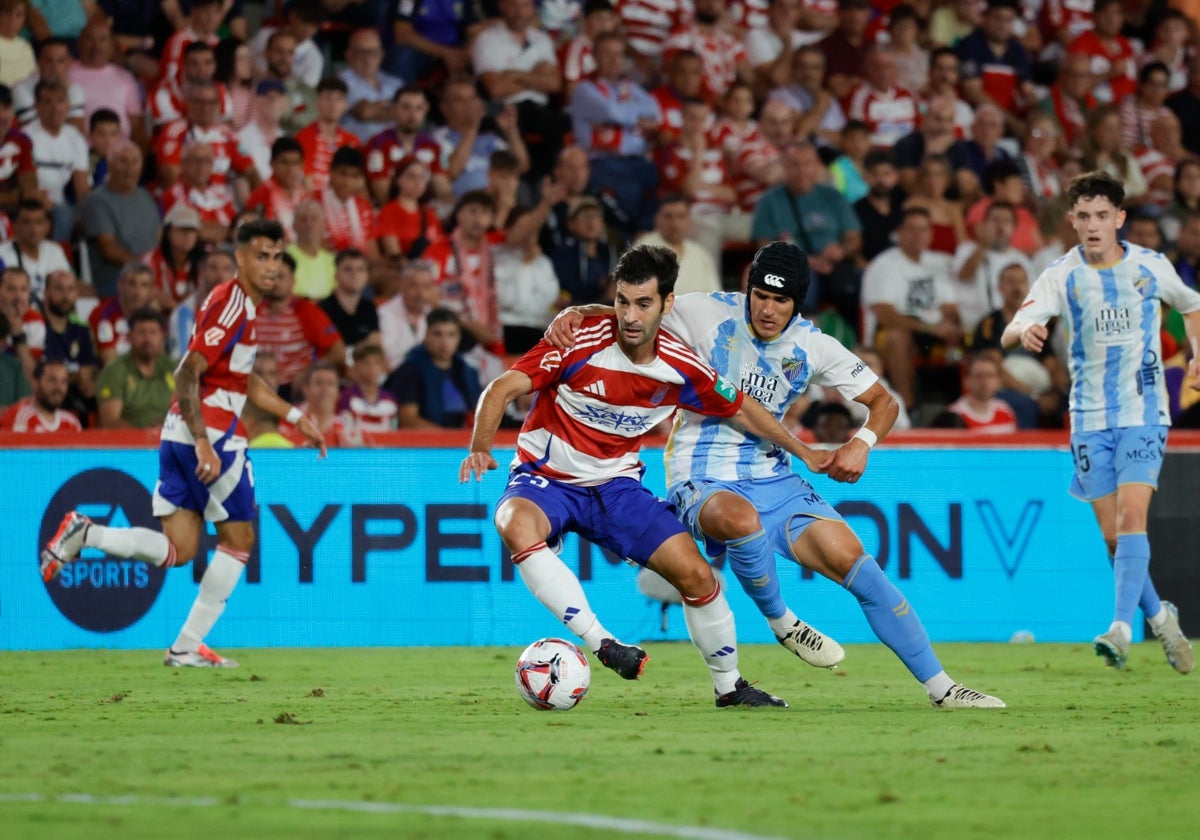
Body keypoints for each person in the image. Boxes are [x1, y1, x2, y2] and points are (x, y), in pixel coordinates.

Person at [546, 241, 1007, 708]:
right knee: (739, 518)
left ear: (797, 303)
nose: (767, 309)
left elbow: (885, 402)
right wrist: (577, 312)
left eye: (780, 300)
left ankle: (943, 688)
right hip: (699, 475)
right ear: (748, 289)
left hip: (774, 477)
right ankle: (782, 620)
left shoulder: (813, 345)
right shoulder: (704, 311)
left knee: (860, 567)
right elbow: (633, 312)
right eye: (760, 295)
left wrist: (860, 444)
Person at [462, 243, 818, 708]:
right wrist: (480, 446)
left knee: (696, 575)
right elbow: (501, 388)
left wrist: (804, 451)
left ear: (667, 304)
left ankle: (730, 686)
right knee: (512, 521)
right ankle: (603, 644)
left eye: (644, 304)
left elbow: (744, 410)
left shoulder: (681, 367)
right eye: (622, 301)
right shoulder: (579, 339)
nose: (630, 316)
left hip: (616, 488)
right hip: (546, 478)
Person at [40, 219, 326, 668]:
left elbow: (237, 376)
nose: (271, 267)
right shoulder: (233, 304)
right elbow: (186, 372)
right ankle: (187, 646)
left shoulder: (237, 305)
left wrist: (294, 416)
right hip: (209, 435)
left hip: (179, 432)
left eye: (276, 257)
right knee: (240, 539)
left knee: (179, 549)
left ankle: (86, 532)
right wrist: (204, 443)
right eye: (261, 256)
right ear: (240, 257)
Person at [1001, 171, 1199, 674]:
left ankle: (1120, 628)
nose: (1093, 225)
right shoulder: (1062, 275)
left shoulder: (1151, 267)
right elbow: (1009, 330)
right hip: (1088, 420)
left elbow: (1193, 303)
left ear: (1120, 219)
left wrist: (1198, 353)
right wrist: (1027, 328)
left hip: (1143, 412)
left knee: (1132, 521)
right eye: (1084, 217)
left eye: (1102, 216)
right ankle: (1159, 615)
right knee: (1114, 539)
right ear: (1072, 221)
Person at [388, 308, 482, 430]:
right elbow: (408, 420)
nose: (445, 342)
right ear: (425, 335)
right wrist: (449, 440)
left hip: (463, 443)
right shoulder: (409, 370)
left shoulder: (468, 372)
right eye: (437, 334)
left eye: (451, 335)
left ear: (459, 337)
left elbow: (478, 413)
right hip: (425, 446)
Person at [96, 308, 175, 429]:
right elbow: (110, 422)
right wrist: (146, 436)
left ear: (162, 337)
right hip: (129, 445)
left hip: (170, 440)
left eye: (153, 332)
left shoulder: (174, 369)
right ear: (129, 336)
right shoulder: (114, 371)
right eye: (141, 332)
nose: (147, 339)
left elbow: (188, 412)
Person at [0, 357, 81, 432]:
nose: (58, 387)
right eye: (52, 380)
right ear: (36, 383)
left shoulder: (72, 423)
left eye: (63, 381)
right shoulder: (19, 417)